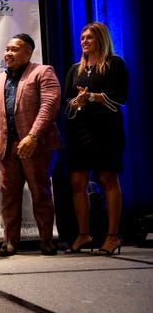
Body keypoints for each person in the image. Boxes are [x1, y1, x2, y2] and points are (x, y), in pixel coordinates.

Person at [0, 33, 62, 257]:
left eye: (14, 49)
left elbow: (50, 105)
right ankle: (10, 242)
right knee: (9, 196)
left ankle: (46, 241)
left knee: (40, 194)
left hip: (37, 146)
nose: (8, 53)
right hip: (7, 147)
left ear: (28, 53)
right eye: (6, 49)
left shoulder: (43, 72)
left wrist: (33, 136)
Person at [63, 22, 129, 256]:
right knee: (77, 182)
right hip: (80, 131)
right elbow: (68, 101)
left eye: (90, 37)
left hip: (106, 131)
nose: (84, 41)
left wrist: (91, 97)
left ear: (101, 39)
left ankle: (112, 237)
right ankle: (84, 234)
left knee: (107, 179)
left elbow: (119, 98)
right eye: (82, 37)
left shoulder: (114, 64)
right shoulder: (75, 69)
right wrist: (76, 101)